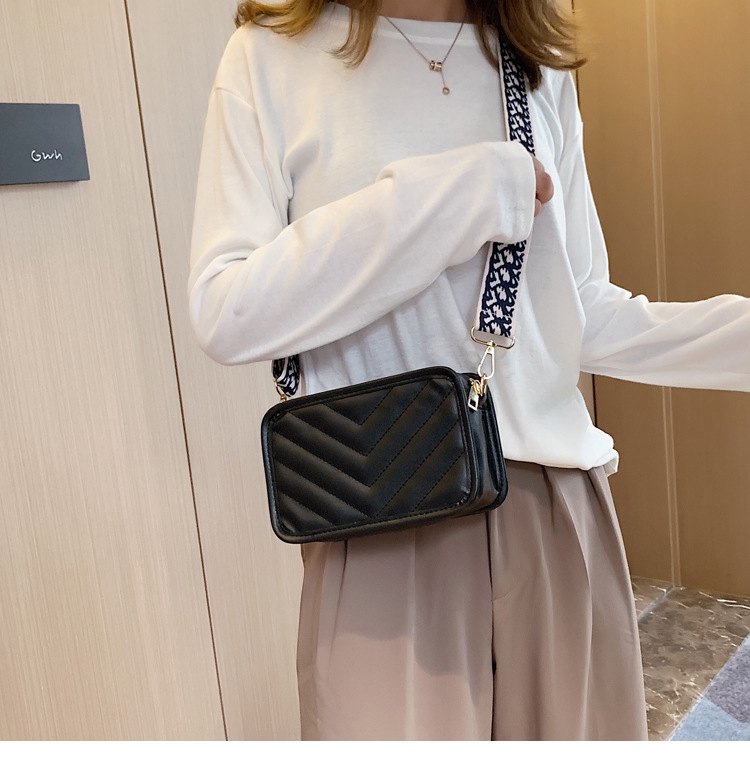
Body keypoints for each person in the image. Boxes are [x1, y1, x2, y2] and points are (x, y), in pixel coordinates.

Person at [188, 0, 750, 741]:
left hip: (555, 509)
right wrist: (449, 197)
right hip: (381, 514)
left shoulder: (534, 65)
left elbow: (581, 312)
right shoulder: (270, 57)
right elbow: (227, 309)